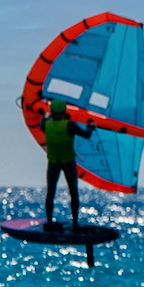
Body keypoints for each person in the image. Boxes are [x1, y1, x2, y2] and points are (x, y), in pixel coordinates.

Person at [42, 97, 94, 231]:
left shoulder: (45, 125)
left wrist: (46, 116)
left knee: (50, 192)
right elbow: (86, 135)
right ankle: (75, 223)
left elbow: (43, 121)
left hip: (53, 163)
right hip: (68, 162)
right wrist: (90, 127)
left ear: (52, 112)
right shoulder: (70, 125)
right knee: (73, 192)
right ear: (64, 112)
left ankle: (49, 222)